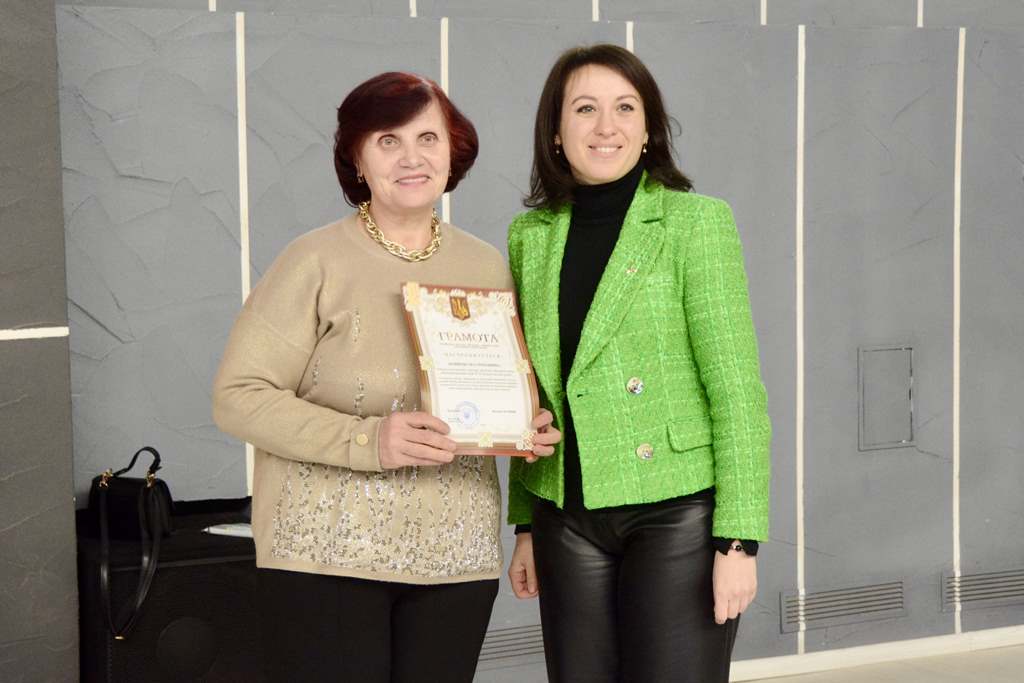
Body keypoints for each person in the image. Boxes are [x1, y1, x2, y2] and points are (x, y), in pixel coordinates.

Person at [212, 71, 559, 683]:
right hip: (325, 555)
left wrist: (523, 426)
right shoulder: (313, 260)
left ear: (452, 151)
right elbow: (238, 398)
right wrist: (368, 439)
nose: (411, 158)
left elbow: (498, 393)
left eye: (427, 138)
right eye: (387, 140)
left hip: (457, 557)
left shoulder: (487, 266)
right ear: (358, 159)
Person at [504, 45, 772, 682]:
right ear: (555, 131)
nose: (607, 126)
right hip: (564, 514)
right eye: (585, 109)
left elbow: (736, 388)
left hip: (676, 514)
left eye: (625, 108)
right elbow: (529, 388)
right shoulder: (530, 236)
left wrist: (738, 541)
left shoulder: (695, 222)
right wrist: (524, 525)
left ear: (649, 127)